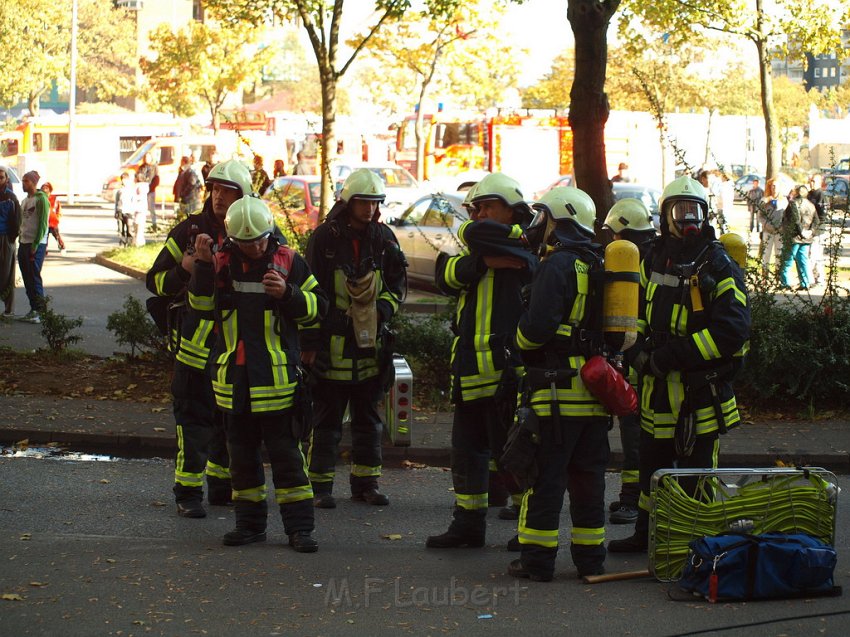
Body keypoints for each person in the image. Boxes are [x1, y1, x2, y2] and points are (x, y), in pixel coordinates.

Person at [608, 175, 750, 554]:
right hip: (656, 392)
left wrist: (671, 356)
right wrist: (634, 351)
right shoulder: (652, 257)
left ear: (706, 215)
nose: (689, 218)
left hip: (698, 394)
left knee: (696, 474)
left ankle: (695, 546)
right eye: (680, 210)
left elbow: (732, 332)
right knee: (652, 470)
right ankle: (646, 534)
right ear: (665, 215)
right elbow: (634, 308)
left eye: (696, 210)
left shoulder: (718, 264)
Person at [189, 196, 327, 550]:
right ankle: (249, 526)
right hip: (234, 384)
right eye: (247, 242)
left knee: (287, 460)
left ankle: (300, 530)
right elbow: (202, 308)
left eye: (261, 240)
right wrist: (203, 267)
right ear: (233, 240)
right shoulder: (219, 263)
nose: (256, 247)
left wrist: (289, 294)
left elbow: (319, 310)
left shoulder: (289, 262)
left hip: (277, 383)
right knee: (242, 461)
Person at [425, 173, 536, 550]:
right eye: (475, 208)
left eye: (488, 206)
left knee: (515, 452)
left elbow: (518, 256)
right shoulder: (482, 247)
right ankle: (468, 524)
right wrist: (484, 263)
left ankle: (527, 527)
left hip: (505, 370)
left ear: (513, 211)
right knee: (467, 452)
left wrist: (504, 252)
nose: (478, 216)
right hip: (470, 369)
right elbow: (446, 275)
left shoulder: (531, 245)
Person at [505, 186, 609, 582]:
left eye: (542, 217)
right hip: (596, 395)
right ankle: (590, 561)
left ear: (559, 221)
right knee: (588, 482)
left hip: (556, 395)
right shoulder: (599, 262)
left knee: (545, 480)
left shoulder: (557, 264)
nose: (538, 226)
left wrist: (516, 345)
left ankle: (537, 562)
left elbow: (536, 329)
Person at [146, 160, 255, 519]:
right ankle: (188, 493)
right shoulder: (189, 231)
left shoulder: (254, 229)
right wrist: (183, 270)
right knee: (193, 424)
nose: (219, 196)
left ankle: (221, 488)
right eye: (215, 189)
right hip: (194, 350)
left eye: (228, 191)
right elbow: (155, 282)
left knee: (230, 421)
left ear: (244, 196)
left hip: (234, 351)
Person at [304, 168, 407, 509]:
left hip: (370, 351)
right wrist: (314, 342)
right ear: (348, 202)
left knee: (368, 421)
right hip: (332, 350)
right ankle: (319, 487)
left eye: (376, 202)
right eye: (364, 202)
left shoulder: (384, 239)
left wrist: (383, 311)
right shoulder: (324, 239)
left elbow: (397, 286)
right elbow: (310, 291)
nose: (370, 210)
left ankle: (367, 484)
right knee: (327, 421)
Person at [601, 198, 657, 526]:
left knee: (635, 433)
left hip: (640, 360)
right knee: (634, 431)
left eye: (614, 234)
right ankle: (632, 498)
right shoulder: (652, 258)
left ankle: (631, 501)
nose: (611, 242)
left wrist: (632, 355)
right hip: (641, 358)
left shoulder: (638, 262)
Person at [17, 171, 49, 323]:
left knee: (34, 276)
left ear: (33, 183)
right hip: (24, 242)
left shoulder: (41, 200)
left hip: (36, 244)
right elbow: (22, 222)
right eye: (23, 181)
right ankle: (33, 308)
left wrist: (36, 244)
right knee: (27, 277)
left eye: (26, 181)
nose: (23, 184)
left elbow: (43, 224)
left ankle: (41, 311)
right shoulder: (25, 201)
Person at [780, 184, 819, 291]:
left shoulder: (794, 203)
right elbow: (816, 221)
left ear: (796, 193)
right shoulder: (811, 205)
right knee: (803, 260)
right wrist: (810, 231)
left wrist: (801, 232)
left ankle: (785, 283)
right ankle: (806, 283)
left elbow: (796, 220)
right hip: (806, 237)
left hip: (794, 237)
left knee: (787, 260)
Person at [0, 166, 21, 316]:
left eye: (1, 177)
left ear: (6, 179)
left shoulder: (11, 198)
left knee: (7, 274)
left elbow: (17, 220)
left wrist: (11, 238)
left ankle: (9, 309)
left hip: (5, 238)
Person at [759, 178, 786, 277]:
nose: (774, 188)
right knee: (766, 254)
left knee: (779, 254)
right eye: (772, 186)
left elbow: (787, 216)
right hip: (768, 231)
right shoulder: (764, 200)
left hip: (780, 231)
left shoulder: (784, 201)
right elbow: (760, 216)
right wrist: (767, 225)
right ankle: (764, 275)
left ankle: (778, 275)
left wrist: (782, 227)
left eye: (776, 186)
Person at [807, 174, 825, 286]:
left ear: (819, 182)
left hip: (818, 230)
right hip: (808, 230)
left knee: (815, 255)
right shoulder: (809, 195)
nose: (811, 183)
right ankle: (813, 277)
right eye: (810, 181)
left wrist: (815, 229)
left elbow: (822, 215)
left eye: (814, 181)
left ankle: (819, 278)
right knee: (810, 254)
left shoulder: (820, 195)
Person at [173, 156, 203, 221]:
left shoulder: (189, 171)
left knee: (190, 218)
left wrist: (183, 193)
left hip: (190, 199)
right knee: (183, 218)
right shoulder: (182, 171)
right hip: (185, 198)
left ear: (184, 162)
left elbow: (192, 183)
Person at [136, 152, 159, 233]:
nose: (147, 159)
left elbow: (156, 179)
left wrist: (150, 188)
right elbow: (138, 176)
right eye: (145, 157)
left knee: (151, 208)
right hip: (142, 191)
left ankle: (154, 224)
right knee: (142, 209)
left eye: (148, 157)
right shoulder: (141, 167)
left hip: (151, 191)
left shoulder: (154, 167)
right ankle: (142, 226)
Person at [41, 182, 66, 254]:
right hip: (44, 222)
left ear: (50, 189)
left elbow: (59, 209)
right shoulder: (40, 198)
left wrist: (57, 217)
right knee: (44, 237)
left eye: (46, 188)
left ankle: (62, 246)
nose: (44, 190)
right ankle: (44, 250)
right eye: (43, 188)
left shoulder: (54, 199)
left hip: (53, 221)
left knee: (57, 235)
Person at [114, 171, 135, 247]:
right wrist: (115, 212)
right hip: (120, 211)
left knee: (129, 228)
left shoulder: (131, 190)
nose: (124, 181)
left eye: (125, 179)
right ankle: (122, 243)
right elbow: (116, 202)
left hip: (129, 212)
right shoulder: (119, 191)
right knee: (121, 229)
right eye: (123, 179)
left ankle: (129, 244)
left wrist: (133, 211)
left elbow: (134, 201)